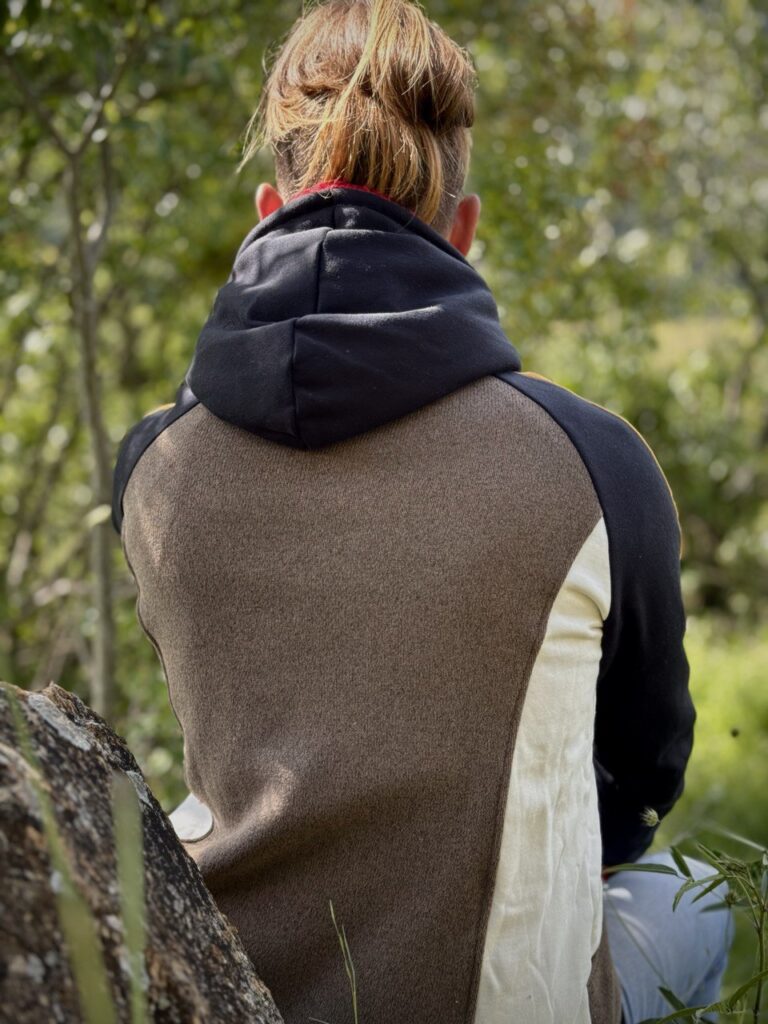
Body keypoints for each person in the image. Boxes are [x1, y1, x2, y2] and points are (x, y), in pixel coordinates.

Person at [110, 1, 734, 1021]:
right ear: (465, 230)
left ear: (267, 209)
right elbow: (648, 766)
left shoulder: (154, 469)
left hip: (239, 990)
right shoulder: (592, 462)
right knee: (701, 891)